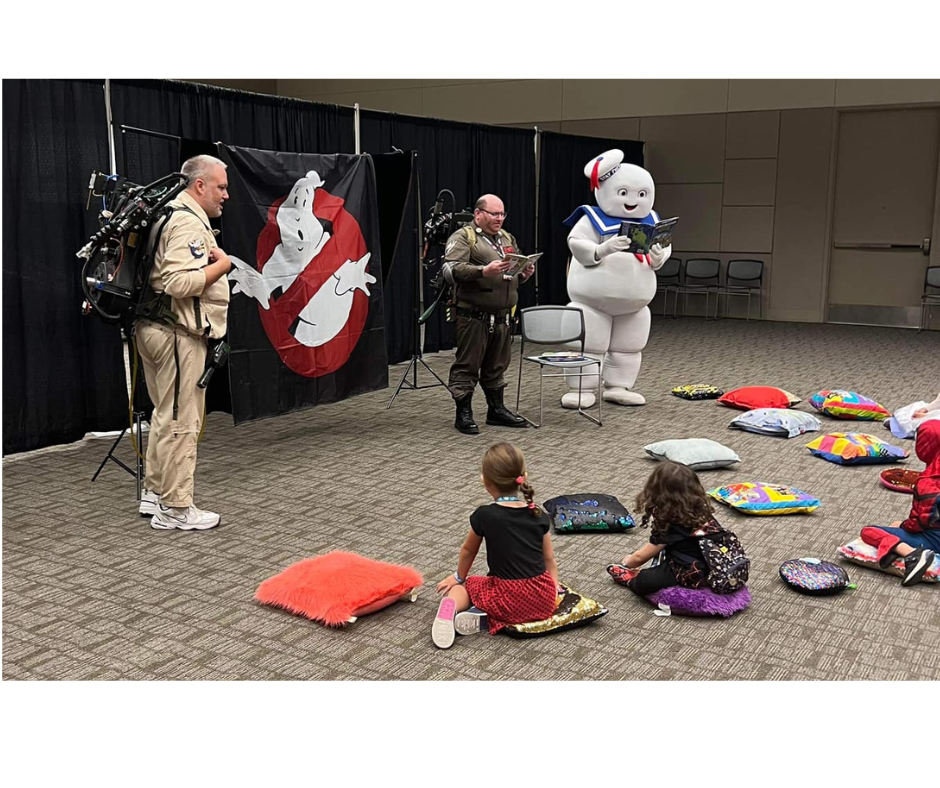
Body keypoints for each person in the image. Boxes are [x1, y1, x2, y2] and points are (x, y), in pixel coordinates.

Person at [135, 155, 233, 530]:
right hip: (177, 334)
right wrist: (223, 266)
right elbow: (178, 283)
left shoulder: (165, 215)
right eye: (221, 187)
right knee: (183, 420)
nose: (225, 195)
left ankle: (155, 493)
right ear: (199, 186)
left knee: (165, 414)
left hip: (155, 330)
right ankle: (175, 508)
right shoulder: (188, 223)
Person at [432, 442, 560, 649]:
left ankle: (452, 609)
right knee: (523, 597)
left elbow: (468, 550)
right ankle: (485, 619)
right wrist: (554, 587)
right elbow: (549, 559)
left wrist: (458, 578)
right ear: (523, 477)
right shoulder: (538, 514)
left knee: (466, 587)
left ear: (485, 480)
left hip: (506, 599)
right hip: (542, 601)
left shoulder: (485, 515)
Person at [443, 194, 534, 435]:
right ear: (478, 214)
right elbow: (450, 270)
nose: (499, 218)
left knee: (497, 366)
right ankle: (464, 413)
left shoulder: (506, 238)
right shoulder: (464, 237)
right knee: (467, 365)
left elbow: (513, 268)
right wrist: (484, 270)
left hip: (503, 317)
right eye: (494, 214)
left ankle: (496, 410)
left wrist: (524, 273)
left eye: (502, 214)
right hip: (474, 316)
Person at [606, 461, 738, 595]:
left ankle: (630, 578)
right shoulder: (701, 510)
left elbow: (641, 556)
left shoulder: (670, 520)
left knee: (645, 581)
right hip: (717, 564)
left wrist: (629, 562)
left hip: (690, 570)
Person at [859, 419, 940, 585]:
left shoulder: (929, 483)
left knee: (868, 531)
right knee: (898, 524)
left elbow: (918, 523)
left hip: (935, 538)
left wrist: (903, 526)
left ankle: (913, 555)